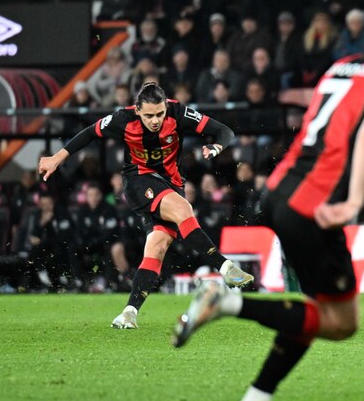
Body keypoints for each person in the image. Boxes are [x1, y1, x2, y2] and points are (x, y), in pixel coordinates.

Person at [169, 0, 364, 401]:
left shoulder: (340, 69)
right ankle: (227, 302)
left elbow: (335, 150)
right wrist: (356, 200)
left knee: (313, 311)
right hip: (315, 204)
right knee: (341, 322)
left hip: (282, 191)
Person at [38, 83, 253, 329]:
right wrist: (57, 158)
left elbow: (224, 131)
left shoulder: (178, 112)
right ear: (138, 110)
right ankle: (225, 267)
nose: (155, 120)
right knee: (184, 210)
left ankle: (128, 312)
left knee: (158, 247)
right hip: (138, 181)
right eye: (149, 115)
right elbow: (89, 133)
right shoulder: (122, 118)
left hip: (172, 185)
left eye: (159, 114)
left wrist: (217, 146)